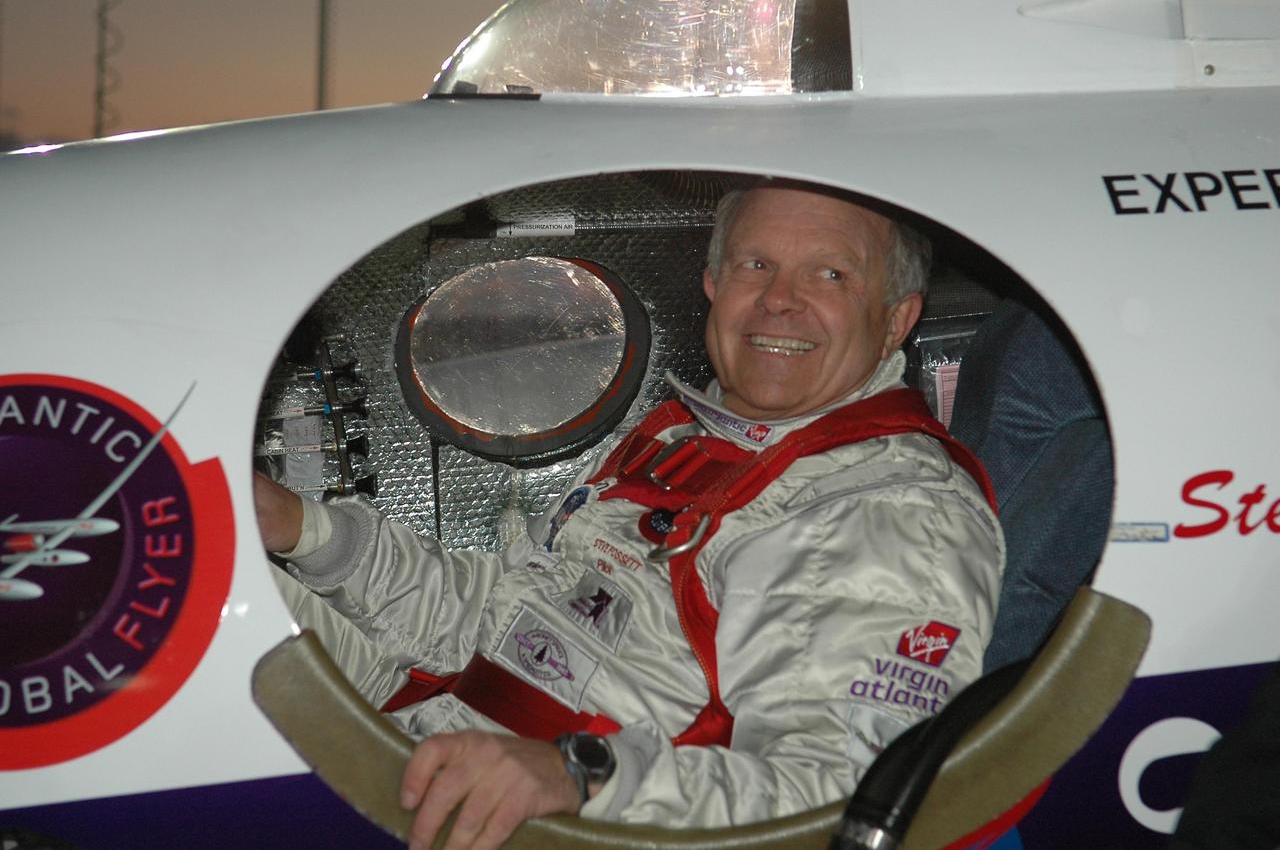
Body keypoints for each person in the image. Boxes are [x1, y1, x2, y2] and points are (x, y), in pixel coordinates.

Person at [256, 182, 1004, 850]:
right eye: (755, 265)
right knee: (224, 557)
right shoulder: (685, 441)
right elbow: (501, 619)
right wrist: (303, 529)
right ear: (713, 284)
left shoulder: (890, 513)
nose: (780, 299)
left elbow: (836, 803)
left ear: (896, 319)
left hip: (550, 823)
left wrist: (584, 776)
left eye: (831, 274)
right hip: (439, 738)